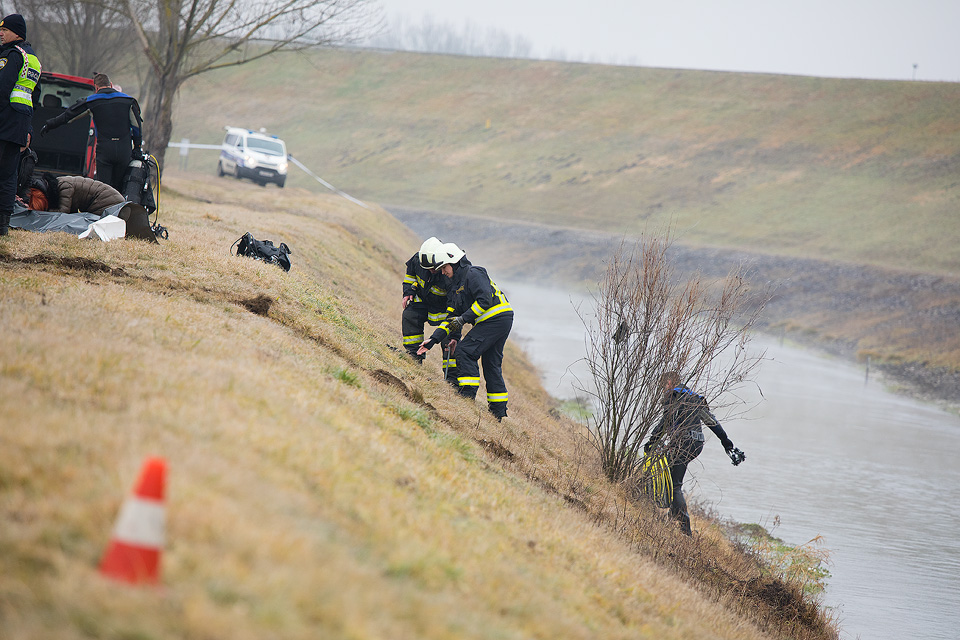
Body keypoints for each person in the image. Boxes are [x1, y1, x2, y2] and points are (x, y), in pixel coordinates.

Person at [417, 243, 514, 421]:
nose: (443, 272)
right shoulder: (456, 287)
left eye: (444, 267)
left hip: (496, 319)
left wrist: (463, 319)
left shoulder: (473, 273)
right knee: (491, 364)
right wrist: (432, 340)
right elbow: (451, 318)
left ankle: (467, 396)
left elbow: (484, 300)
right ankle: (498, 413)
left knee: (465, 351)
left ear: (454, 262)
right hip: (500, 320)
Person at [643, 371, 745, 536]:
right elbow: (712, 422)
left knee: (675, 484)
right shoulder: (694, 398)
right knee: (671, 475)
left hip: (682, 443)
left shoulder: (673, 396)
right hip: (697, 444)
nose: (663, 389)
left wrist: (651, 442)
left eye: (664, 385)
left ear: (670, 383)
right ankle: (673, 515)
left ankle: (685, 529)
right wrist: (726, 442)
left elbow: (664, 423)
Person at [40, 72, 143, 191]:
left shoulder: (92, 101)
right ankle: (120, 208)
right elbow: (136, 127)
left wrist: (49, 124)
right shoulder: (128, 101)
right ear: (110, 84)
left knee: (103, 189)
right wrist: (137, 147)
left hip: (105, 150)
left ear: (96, 87)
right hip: (124, 150)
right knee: (120, 188)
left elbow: (68, 116)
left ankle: (104, 209)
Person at [0, 14, 41, 236]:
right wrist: (28, 129)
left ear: (17, 33)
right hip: (19, 126)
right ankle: (3, 225)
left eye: (5, 30)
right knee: (8, 176)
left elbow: (2, 88)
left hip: (4, 122)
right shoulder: (33, 59)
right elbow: (35, 98)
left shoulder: (12, 56)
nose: (0, 33)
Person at [402, 237, 463, 381]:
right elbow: (410, 277)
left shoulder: (450, 273)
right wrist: (408, 292)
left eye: (433, 268)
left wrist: (455, 334)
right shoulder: (417, 260)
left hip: (443, 310)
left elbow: (456, 308)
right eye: (427, 268)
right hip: (422, 301)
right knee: (409, 315)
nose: (431, 271)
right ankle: (413, 357)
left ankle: (452, 380)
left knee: (449, 342)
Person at [26, 173, 124, 215]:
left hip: (110, 202)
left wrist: (44, 212)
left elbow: (63, 213)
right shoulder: (60, 184)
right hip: (110, 200)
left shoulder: (64, 187)